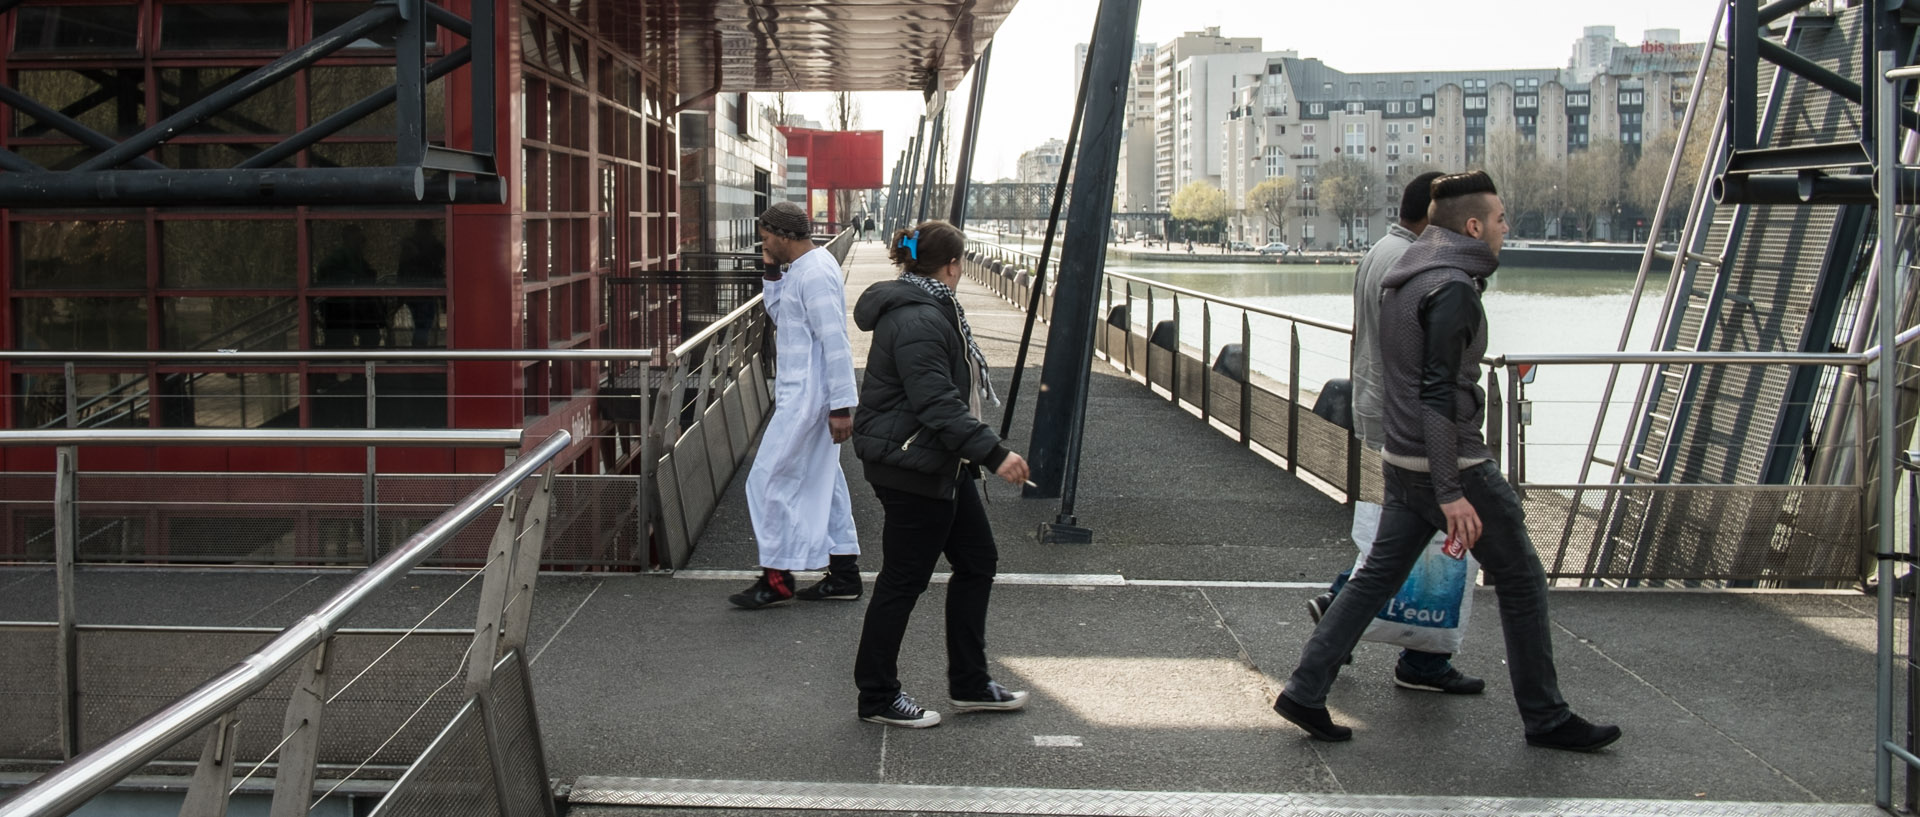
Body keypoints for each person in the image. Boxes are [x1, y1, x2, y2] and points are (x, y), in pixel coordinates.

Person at [1272, 171, 1621, 753]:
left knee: (1373, 579)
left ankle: (1306, 689)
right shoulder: (1453, 286)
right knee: (1521, 578)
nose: (1509, 228)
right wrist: (1451, 488)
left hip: (1402, 456)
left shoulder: (1405, 274)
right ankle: (1546, 716)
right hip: (1452, 463)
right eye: (1503, 219)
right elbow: (1438, 391)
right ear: (1475, 225)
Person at [1305, 171, 1483, 695]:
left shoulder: (1380, 250)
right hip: (1408, 419)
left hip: (1379, 405)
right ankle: (1398, 646)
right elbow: (1424, 356)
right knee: (1416, 537)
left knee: (1404, 537)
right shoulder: (1413, 263)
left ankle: (1366, 628)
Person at [849, 219, 1031, 728]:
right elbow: (937, 404)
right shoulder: (921, 319)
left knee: (977, 560)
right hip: (912, 463)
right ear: (954, 264)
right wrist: (995, 454)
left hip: (936, 460)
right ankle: (878, 696)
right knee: (903, 580)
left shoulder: (926, 307)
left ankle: (970, 683)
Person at [728, 201, 864, 609]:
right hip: (804, 395)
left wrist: (842, 405)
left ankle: (778, 577)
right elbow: (781, 313)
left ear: (786, 235)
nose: (763, 243)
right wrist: (770, 271)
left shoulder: (816, 273)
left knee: (767, 481)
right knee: (826, 484)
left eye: (767, 237)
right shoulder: (804, 270)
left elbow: (835, 342)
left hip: (809, 399)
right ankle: (843, 574)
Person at [397, 220, 445, 348]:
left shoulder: (412, 246)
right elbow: (437, 269)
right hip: (424, 291)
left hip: (417, 291)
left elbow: (401, 270)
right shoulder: (432, 247)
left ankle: (419, 350)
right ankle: (420, 351)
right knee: (423, 324)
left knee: (423, 324)